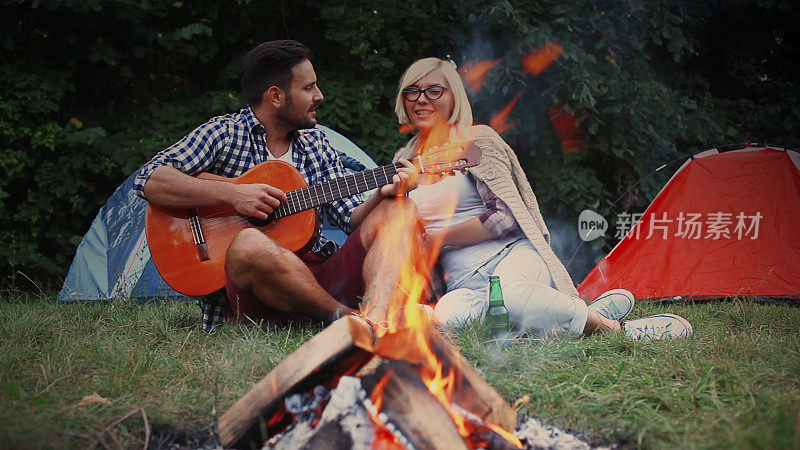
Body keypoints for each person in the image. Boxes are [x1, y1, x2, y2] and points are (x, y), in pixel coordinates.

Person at [392, 57, 693, 340]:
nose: (421, 98)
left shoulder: (475, 139)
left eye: (434, 90)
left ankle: (619, 329)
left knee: (512, 297)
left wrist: (437, 239)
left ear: (453, 97)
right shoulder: (402, 160)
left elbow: (504, 217)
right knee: (450, 316)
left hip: (510, 255)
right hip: (462, 281)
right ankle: (585, 312)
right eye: (413, 91)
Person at [134, 40, 421, 330]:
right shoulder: (224, 133)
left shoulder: (317, 143)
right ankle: (345, 319)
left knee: (398, 208)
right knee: (248, 241)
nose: (319, 96)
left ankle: (376, 321)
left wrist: (383, 194)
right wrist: (233, 193)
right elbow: (149, 178)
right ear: (275, 96)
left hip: (317, 276)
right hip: (259, 296)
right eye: (308, 88)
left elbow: (349, 218)